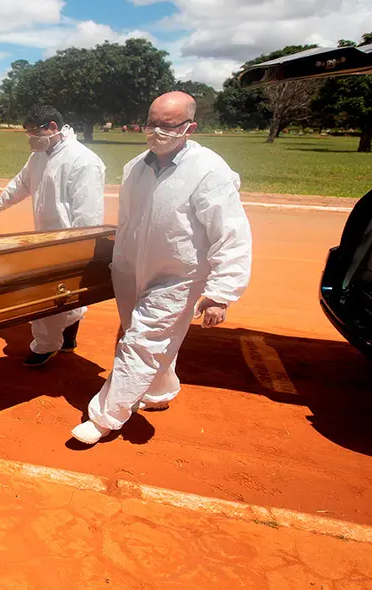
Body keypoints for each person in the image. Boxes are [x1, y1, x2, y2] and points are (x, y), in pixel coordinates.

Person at [71, 91, 253, 445]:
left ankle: (106, 416)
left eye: (167, 126)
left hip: (177, 276)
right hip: (130, 269)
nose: (156, 131)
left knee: (142, 341)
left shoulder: (209, 171)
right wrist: (116, 261)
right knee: (143, 335)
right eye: (151, 123)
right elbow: (128, 221)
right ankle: (158, 392)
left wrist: (220, 294)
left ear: (190, 127)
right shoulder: (135, 167)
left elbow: (231, 233)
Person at [0, 105, 106, 367]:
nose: (31, 139)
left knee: (51, 294)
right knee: (63, 293)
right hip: (46, 237)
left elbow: (88, 212)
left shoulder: (83, 161)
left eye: (34, 132)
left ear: (53, 128)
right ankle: (66, 340)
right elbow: (22, 182)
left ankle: (45, 345)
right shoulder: (40, 155)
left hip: (70, 240)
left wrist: (81, 246)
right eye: (27, 133)